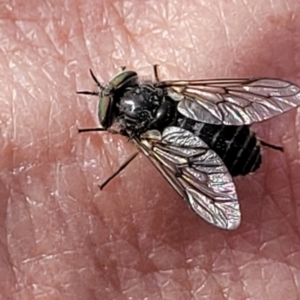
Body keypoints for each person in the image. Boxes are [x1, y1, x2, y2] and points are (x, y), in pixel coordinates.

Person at [1, 1, 299, 299]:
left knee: (185, 167)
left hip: (215, 144)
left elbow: (187, 172)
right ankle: (253, 145)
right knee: (221, 101)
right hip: (225, 130)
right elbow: (229, 98)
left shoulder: (140, 135)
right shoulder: (168, 88)